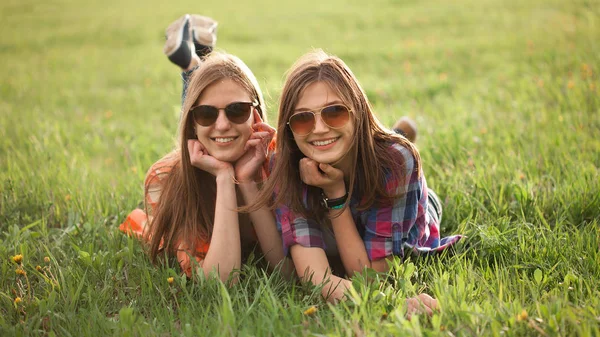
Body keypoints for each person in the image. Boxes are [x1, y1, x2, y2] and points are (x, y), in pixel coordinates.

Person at [253, 50, 463, 316]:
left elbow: (369, 277)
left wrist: (335, 193)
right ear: (289, 130)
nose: (318, 128)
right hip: (338, 216)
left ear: (358, 111)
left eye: (335, 112)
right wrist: (395, 306)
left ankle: (397, 136)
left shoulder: (397, 164)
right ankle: (397, 131)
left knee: (403, 164)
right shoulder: (284, 166)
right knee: (366, 145)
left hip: (405, 206)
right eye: (303, 119)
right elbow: (317, 279)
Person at [120, 14, 287, 282]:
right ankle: (194, 64)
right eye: (206, 115)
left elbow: (286, 272)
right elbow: (221, 280)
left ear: (256, 115)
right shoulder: (165, 179)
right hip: (189, 163)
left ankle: (196, 62)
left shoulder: (278, 160)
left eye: (238, 110)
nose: (222, 124)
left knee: (212, 107)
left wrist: (246, 181)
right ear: (192, 124)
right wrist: (223, 177)